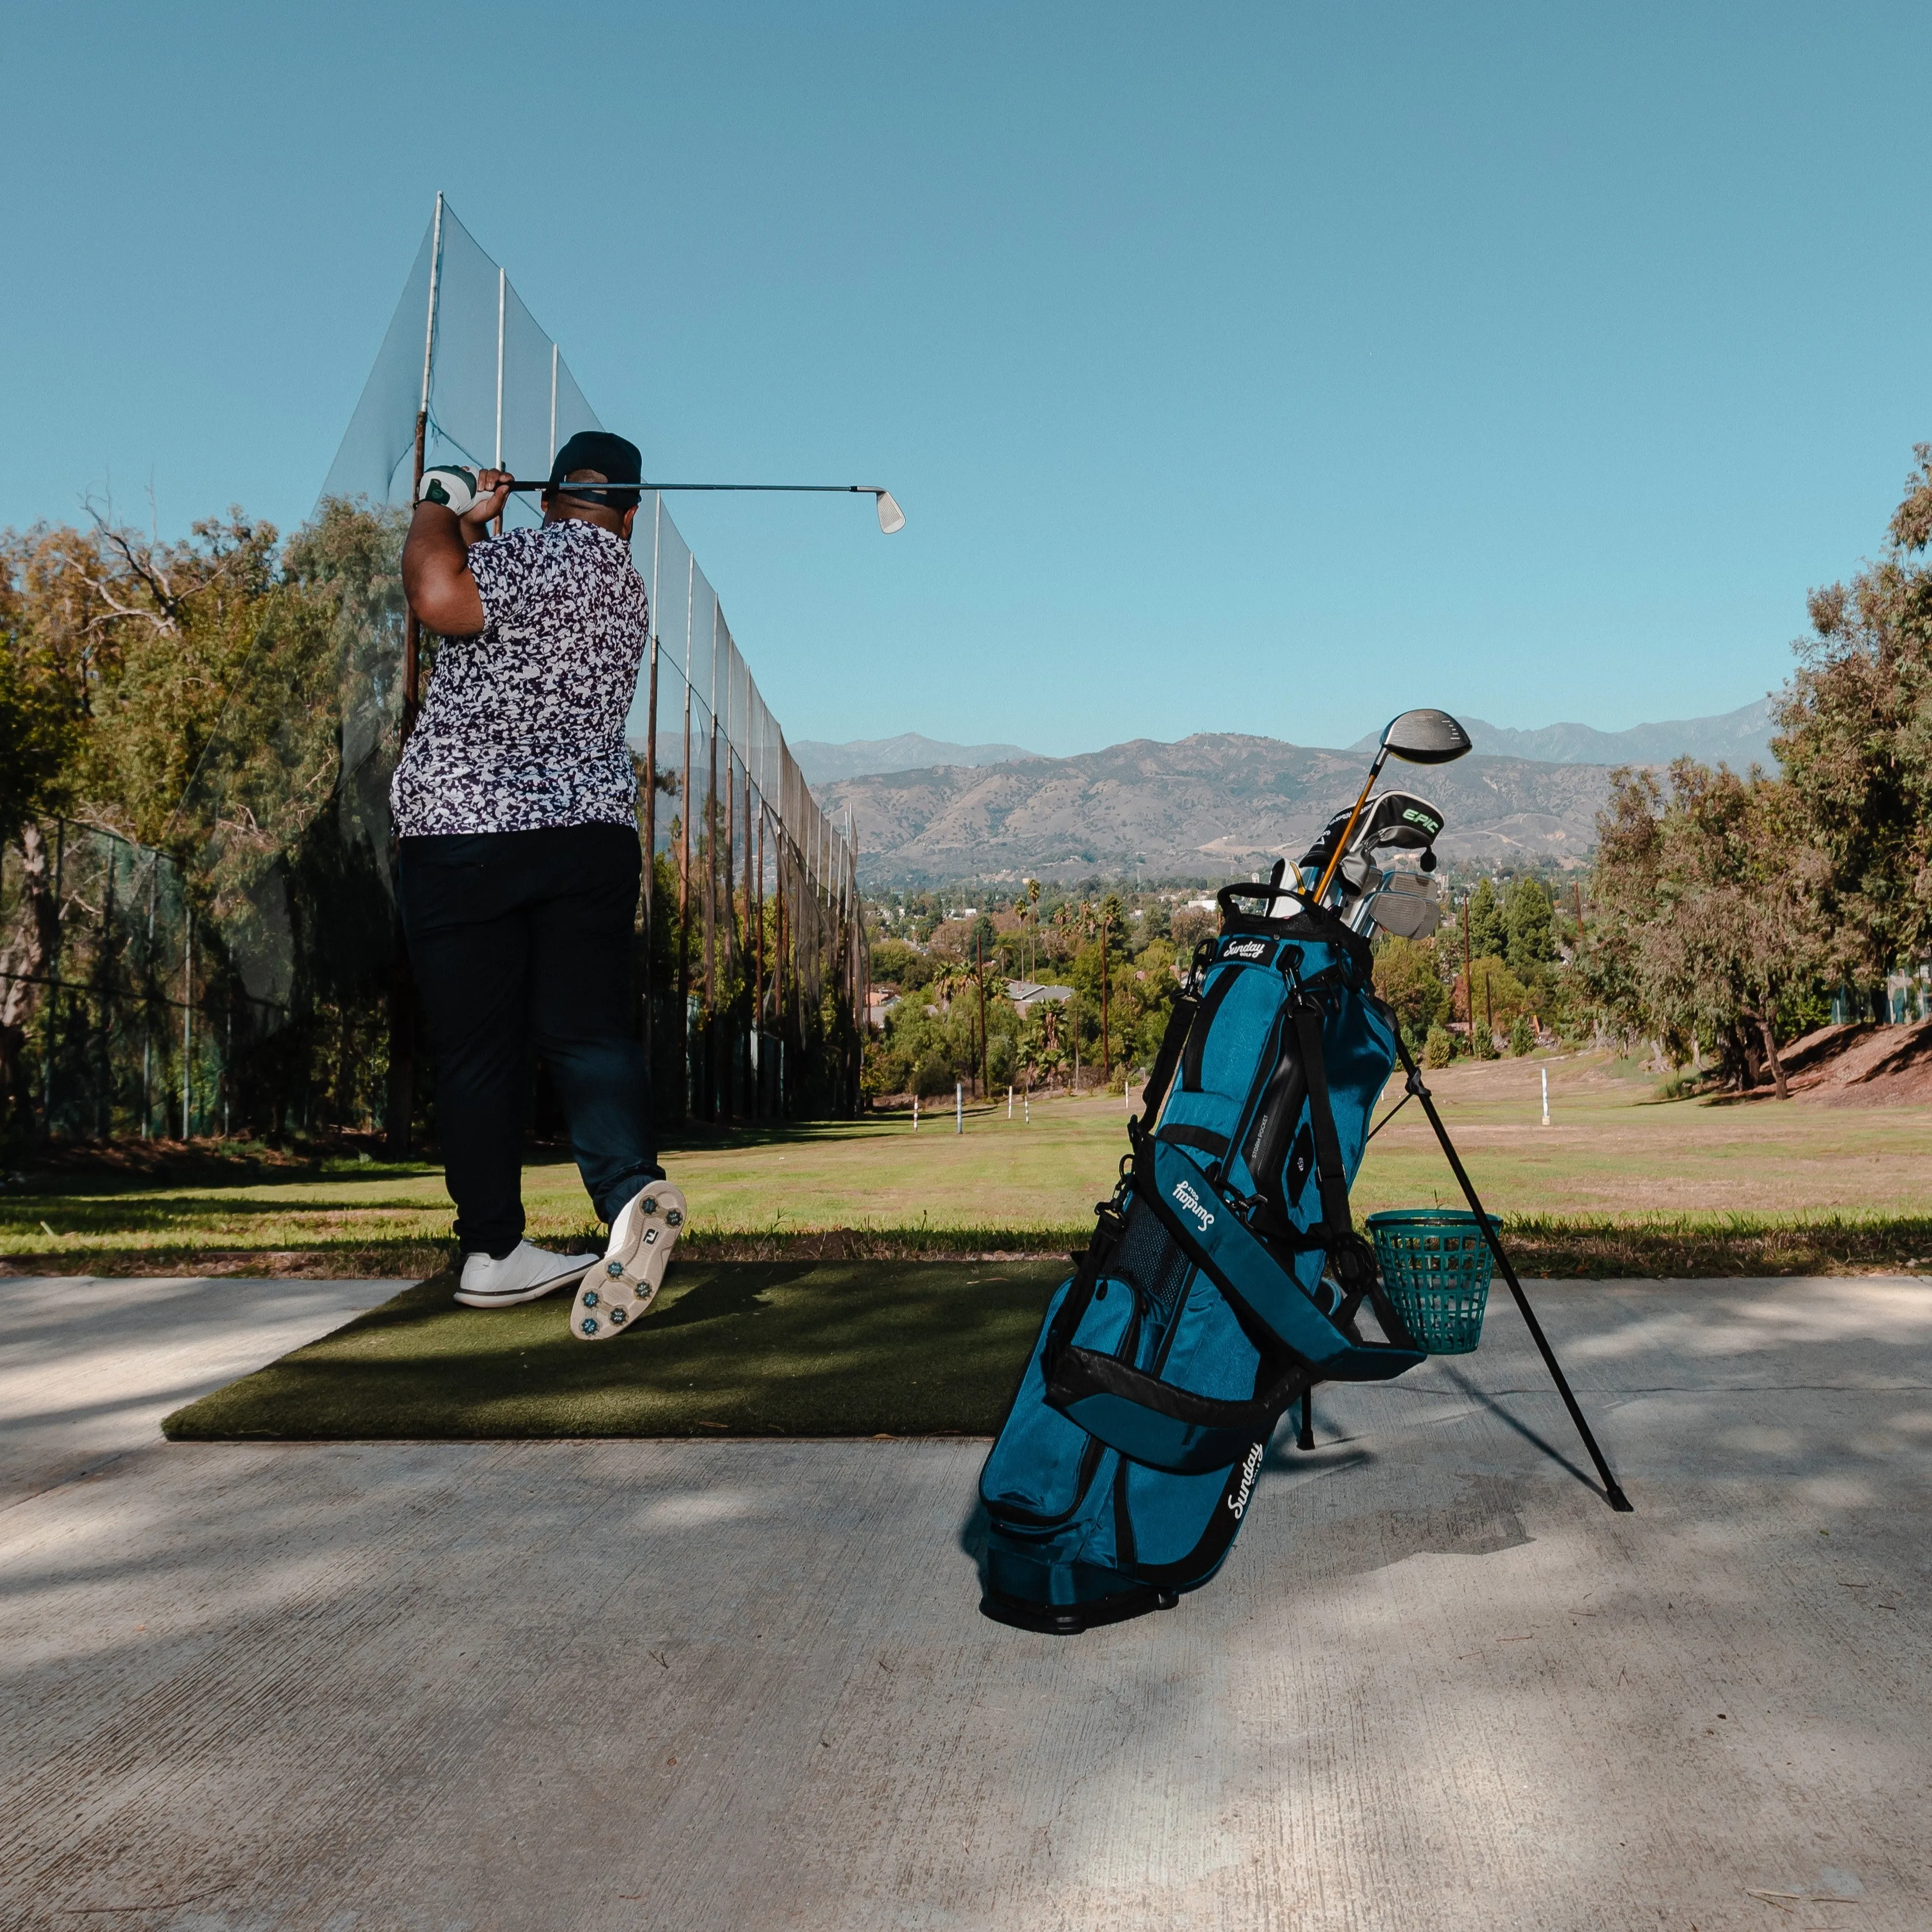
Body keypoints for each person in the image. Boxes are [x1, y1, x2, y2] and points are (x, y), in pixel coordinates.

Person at [395, 430, 683, 1341]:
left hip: (462, 834)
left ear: (556, 498)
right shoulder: (626, 592)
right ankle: (628, 1191)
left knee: (478, 1052)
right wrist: (490, 531)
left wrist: (442, 505)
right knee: (585, 1030)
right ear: (630, 517)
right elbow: (496, 618)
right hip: (586, 836)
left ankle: (492, 1250)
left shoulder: (535, 549)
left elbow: (441, 596)